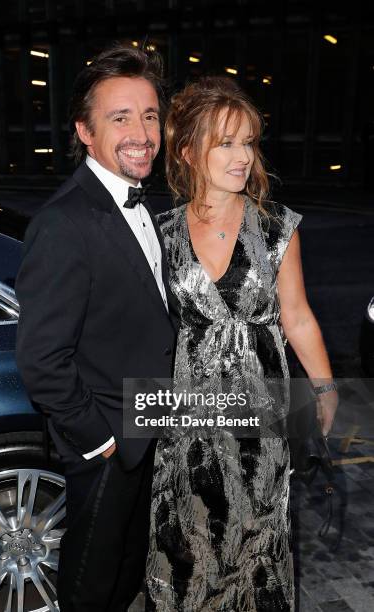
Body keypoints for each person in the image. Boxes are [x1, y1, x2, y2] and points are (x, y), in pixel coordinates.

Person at [145, 76, 338, 611]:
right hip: (186, 412)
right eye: (225, 143)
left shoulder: (277, 229)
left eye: (249, 142)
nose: (242, 157)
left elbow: (297, 317)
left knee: (257, 538)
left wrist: (324, 389)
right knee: (187, 535)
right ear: (187, 150)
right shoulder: (157, 234)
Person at [15, 45, 178, 611]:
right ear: (85, 132)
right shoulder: (64, 222)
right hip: (107, 441)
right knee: (91, 585)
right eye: (120, 117)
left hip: (144, 426)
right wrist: (100, 440)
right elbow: (41, 358)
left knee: (125, 572)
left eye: (150, 115)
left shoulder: (137, 207)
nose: (141, 132)